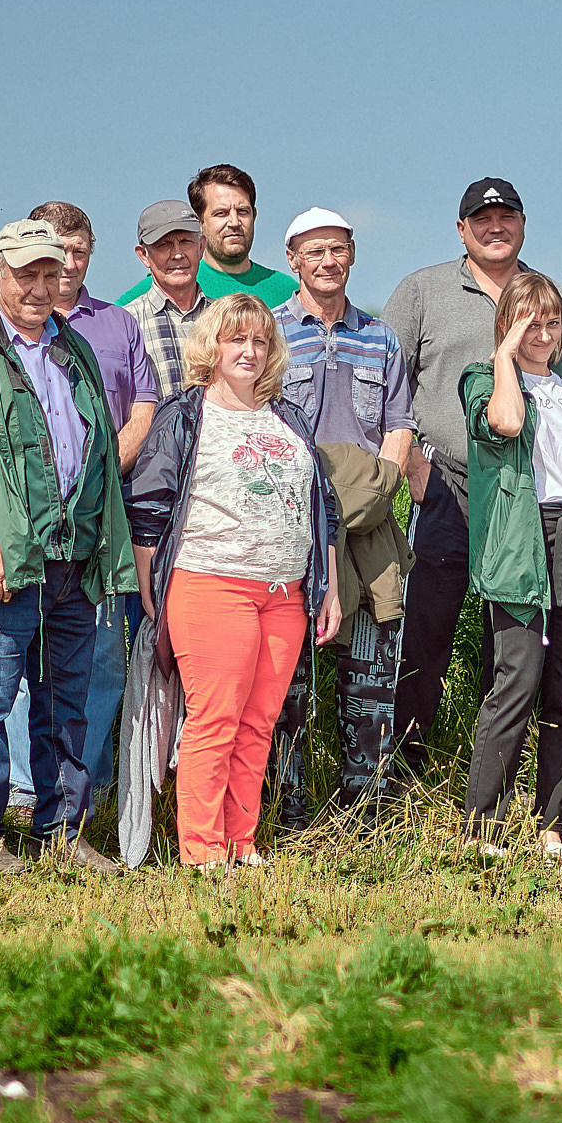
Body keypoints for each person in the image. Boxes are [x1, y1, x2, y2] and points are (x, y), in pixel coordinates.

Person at [0, 221, 136, 875]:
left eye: (49, 273)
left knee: (66, 703)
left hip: (75, 560)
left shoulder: (75, 351)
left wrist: (101, 544)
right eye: (26, 274)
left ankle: (61, 831)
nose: (40, 287)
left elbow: (97, 453)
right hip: (4, 562)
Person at [121, 295, 344, 869]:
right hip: (210, 584)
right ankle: (200, 849)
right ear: (212, 346)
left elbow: (324, 505)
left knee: (259, 723)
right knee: (215, 719)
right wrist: (152, 588)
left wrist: (329, 588)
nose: (249, 351)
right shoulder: (185, 415)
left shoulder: (288, 416)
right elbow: (147, 504)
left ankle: (240, 841)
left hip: (285, 593)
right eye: (236, 339)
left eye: (260, 341)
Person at [384, 179, 562, 778]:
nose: (495, 227)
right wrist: (413, 460)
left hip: (527, 497)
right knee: (427, 631)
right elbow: (388, 381)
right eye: (482, 218)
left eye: (507, 217)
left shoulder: (554, 297)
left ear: (524, 224)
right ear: (461, 229)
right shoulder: (422, 290)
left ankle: (496, 775)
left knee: (511, 645)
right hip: (447, 483)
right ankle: (406, 771)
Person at [0, 201, 158, 816]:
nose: (67, 264)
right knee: (21, 661)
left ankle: (80, 793)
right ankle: (22, 790)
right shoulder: (2, 331)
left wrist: (99, 474)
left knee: (102, 661)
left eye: (79, 252)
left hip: (101, 521)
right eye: (56, 253)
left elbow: (143, 405)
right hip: (26, 522)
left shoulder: (117, 324)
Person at [264, 208, 418, 825]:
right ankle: (289, 810)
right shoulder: (269, 332)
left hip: (368, 524)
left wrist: (373, 493)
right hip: (294, 526)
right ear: (293, 260)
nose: (327, 262)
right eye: (314, 251)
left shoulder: (381, 338)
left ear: (352, 254)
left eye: (338, 250)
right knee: (289, 678)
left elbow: (399, 426)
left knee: (370, 672)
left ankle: (365, 812)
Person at [460, 274, 562, 863]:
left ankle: (552, 826)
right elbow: (507, 424)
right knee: (516, 681)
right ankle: (482, 828)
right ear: (507, 326)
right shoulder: (483, 378)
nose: (543, 335)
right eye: (530, 324)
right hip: (526, 536)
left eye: (551, 323)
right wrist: (505, 355)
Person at [116, 166, 296, 311]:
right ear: (199, 222)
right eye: (221, 213)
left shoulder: (286, 290)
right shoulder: (170, 282)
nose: (234, 222)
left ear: (254, 216)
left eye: (242, 211)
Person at [125, 200, 212, 402]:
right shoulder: (127, 324)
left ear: (201, 247)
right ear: (143, 255)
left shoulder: (226, 318)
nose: (178, 254)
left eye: (185, 241)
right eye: (164, 245)